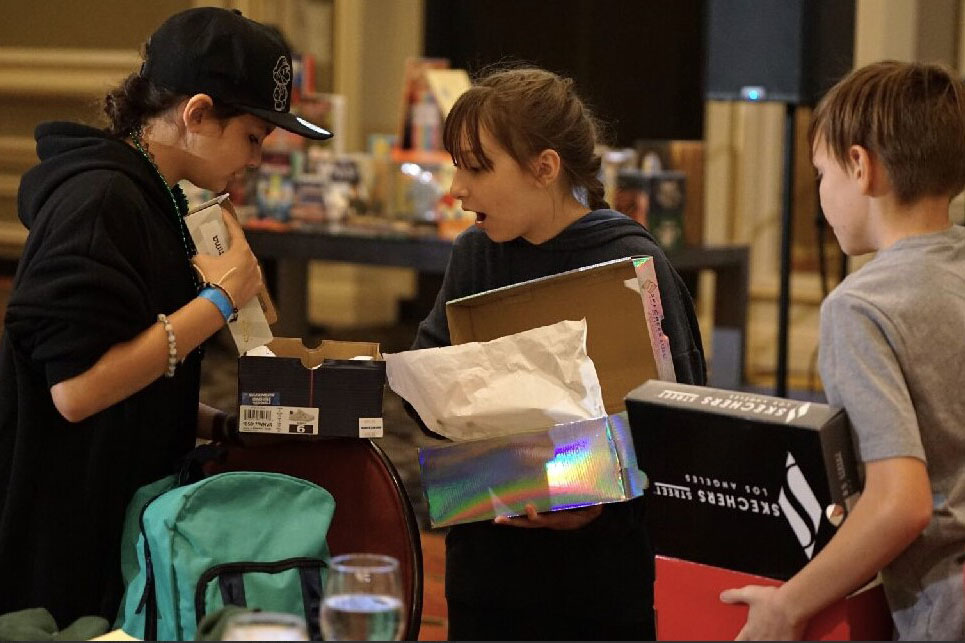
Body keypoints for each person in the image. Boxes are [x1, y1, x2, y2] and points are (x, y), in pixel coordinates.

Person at [0, 7, 331, 625]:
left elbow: (133, 358)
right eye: (253, 138)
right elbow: (74, 390)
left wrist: (215, 424)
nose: (256, 159)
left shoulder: (156, 198)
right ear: (197, 113)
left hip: (116, 509)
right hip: (64, 531)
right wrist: (220, 300)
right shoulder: (99, 201)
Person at [411, 66, 706, 640]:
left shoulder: (630, 265)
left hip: (598, 588)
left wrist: (589, 495)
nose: (457, 189)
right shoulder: (475, 254)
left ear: (544, 168)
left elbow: (679, 433)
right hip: (487, 579)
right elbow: (426, 386)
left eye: (478, 167)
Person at [721, 61, 965, 641]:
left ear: (860, 166)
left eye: (822, 173)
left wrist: (787, 607)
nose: (821, 194)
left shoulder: (860, 308)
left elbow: (901, 504)